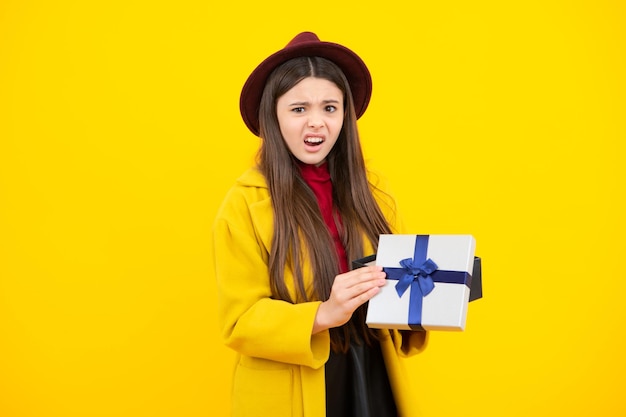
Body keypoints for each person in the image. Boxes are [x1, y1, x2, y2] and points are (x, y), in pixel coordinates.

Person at [212, 32, 428, 417]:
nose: (317, 122)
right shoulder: (244, 203)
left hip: (369, 372)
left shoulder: (371, 191)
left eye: (330, 108)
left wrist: (431, 294)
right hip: (294, 385)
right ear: (273, 116)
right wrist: (322, 313)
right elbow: (239, 321)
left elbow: (394, 281)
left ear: (345, 115)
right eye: (298, 109)